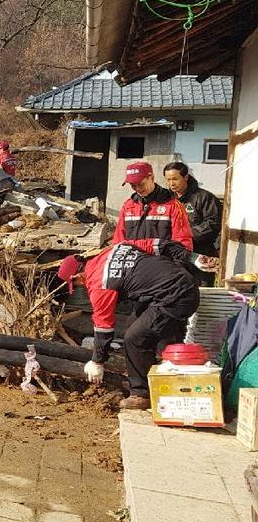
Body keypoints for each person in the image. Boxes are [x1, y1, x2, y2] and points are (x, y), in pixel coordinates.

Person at [57, 239, 217, 409]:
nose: (80, 287)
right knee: (134, 322)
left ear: (77, 277)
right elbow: (159, 244)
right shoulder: (115, 249)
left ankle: (141, 394)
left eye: (76, 285)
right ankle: (159, 374)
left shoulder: (100, 284)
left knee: (134, 339)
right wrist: (191, 257)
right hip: (184, 282)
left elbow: (103, 326)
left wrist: (97, 361)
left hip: (175, 298)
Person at [112, 160, 193, 250]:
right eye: (133, 185)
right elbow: (118, 241)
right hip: (134, 258)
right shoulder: (128, 206)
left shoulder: (173, 205)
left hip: (161, 258)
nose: (138, 189)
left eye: (141, 184)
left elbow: (183, 242)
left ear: (152, 178)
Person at [163, 161, 221, 285]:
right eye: (168, 180)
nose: (171, 183)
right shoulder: (166, 199)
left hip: (201, 254)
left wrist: (186, 236)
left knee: (202, 291)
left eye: (175, 179)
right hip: (174, 256)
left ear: (186, 177)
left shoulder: (204, 197)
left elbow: (213, 224)